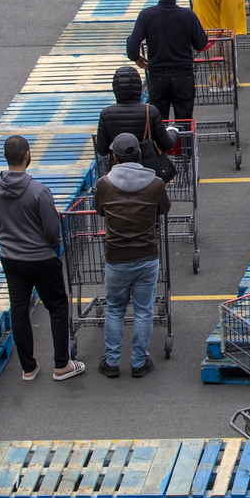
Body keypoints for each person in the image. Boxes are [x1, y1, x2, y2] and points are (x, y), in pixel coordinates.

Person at [0, 136, 81, 382]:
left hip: (11, 260)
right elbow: (52, 231)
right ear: (28, 155)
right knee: (57, 306)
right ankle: (62, 364)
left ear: (5, 157)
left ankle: (28, 368)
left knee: (19, 309)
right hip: (41, 259)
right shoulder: (38, 191)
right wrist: (53, 247)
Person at [94, 133, 169, 379]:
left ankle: (112, 361)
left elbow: (100, 211)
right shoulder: (155, 183)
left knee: (115, 309)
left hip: (116, 255)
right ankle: (139, 361)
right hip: (147, 255)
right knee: (143, 309)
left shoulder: (104, 184)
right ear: (139, 154)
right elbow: (164, 209)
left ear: (113, 156)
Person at [127, 0, 208, 123]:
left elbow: (132, 48)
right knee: (184, 121)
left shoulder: (146, 15)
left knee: (158, 122)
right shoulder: (188, 16)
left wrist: (137, 58)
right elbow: (201, 43)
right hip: (183, 74)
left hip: (157, 76)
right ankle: (184, 146)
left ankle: (161, 146)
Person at [95, 65, 178, 163]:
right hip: (147, 168)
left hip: (117, 170)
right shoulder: (150, 111)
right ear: (138, 87)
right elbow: (166, 145)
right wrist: (173, 131)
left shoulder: (106, 114)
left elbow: (102, 150)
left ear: (115, 89)